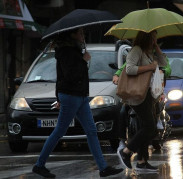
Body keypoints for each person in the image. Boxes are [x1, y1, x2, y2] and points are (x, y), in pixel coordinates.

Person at [32, 28, 123, 178]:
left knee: (91, 131)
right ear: (73, 35)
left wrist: (81, 59)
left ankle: (103, 168)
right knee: (60, 131)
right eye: (80, 33)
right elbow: (68, 76)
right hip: (71, 95)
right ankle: (39, 165)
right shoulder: (67, 52)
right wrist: (83, 60)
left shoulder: (73, 50)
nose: (83, 36)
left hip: (79, 96)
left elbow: (62, 77)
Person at [117, 30, 167, 172]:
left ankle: (142, 161)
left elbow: (163, 63)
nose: (154, 40)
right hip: (138, 95)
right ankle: (126, 151)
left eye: (155, 37)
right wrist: (149, 67)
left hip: (148, 94)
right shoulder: (136, 50)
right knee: (149, 127)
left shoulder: (148, 52)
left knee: (146, 127)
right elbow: (130, 69)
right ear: (146, 37)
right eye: (153, 37)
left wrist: (157, 48)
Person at [112, 42, 171, 152]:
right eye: (153, 37)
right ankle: (123, 143)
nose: (154, 40)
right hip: (138, 91)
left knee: (150, 123)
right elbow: (127, 67)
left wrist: (161, 69)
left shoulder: (155, 54)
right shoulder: (138, 51)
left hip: (153, 92)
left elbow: (167, 67)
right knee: (123, 112)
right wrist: (117, 74)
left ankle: (141, 159)